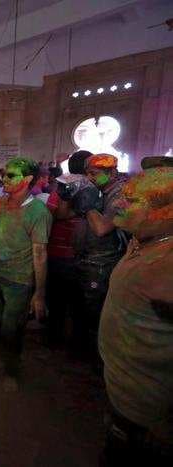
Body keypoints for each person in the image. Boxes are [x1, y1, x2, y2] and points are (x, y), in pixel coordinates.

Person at [98, 167, 173, 466]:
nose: (119, 204)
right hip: (124, 394)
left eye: (133, 201)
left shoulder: (167, 266)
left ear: (164, 213)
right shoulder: (143, 242)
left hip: (150, 415)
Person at [0, 157, 51, 392]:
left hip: (19, 281)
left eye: (11, 175)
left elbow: (40, 253)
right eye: (4, 174)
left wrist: (39, 293)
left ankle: (12, 370)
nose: (4, 178)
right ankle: (6, 358)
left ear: (27, 180)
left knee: (11, 327)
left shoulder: (38, 212)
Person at [72, 153, 127, 357]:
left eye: (94, 174)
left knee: (97, 316)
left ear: (112, 172)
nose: (90, 178)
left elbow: (102, 228)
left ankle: (99, 360)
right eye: (87, 174)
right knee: (83, 311)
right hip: (88, 262)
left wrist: (88, 205)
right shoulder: (100, 190)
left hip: (104, 265)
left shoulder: (120, 194)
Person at [44, 150, 90, 348]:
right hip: (74, 255)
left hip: (61, 252)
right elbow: (58, 214)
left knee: (58, 301)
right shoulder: (86, 187)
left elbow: (52, 214)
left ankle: (55, 339)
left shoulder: (61, 188)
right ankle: (76, 344)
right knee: (77, 302)